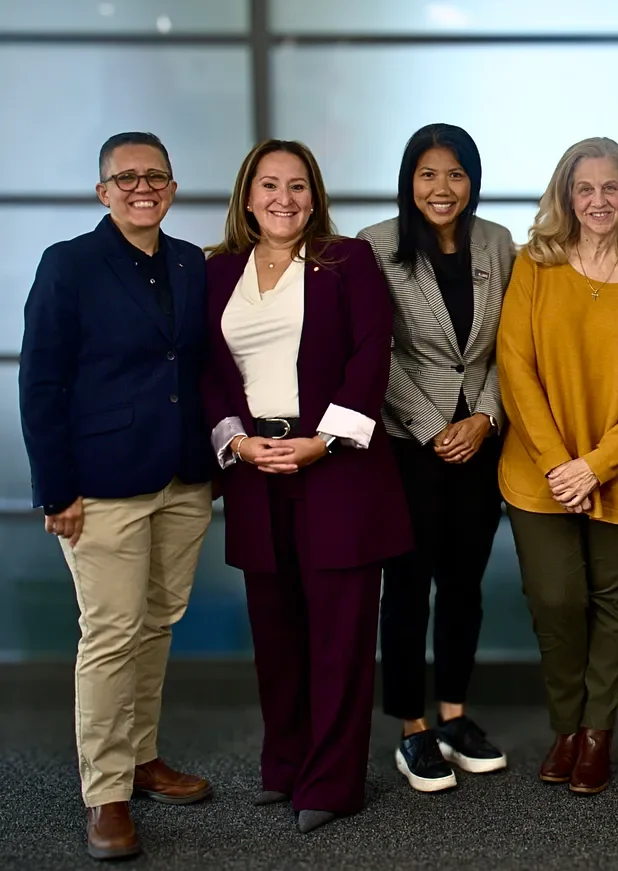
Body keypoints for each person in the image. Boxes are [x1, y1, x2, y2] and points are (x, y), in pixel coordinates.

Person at [202, 140, 412, 834]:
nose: (283, 198)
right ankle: (286, 764)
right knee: (276, 631)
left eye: (297, 185)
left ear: (314, 196)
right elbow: (207, 370)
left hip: (337, 464)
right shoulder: (217, 269)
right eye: (269, 184)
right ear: (247, 195)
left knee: (340, 634)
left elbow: (371, 353)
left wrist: (325, 439)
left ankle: (332, 782)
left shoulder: (348, 259)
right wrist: (236, 441)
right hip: (255, 464)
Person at [18, 132, 214, 860]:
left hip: (184, 476)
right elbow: (40, 382)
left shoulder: (191, 261)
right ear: (103, 192)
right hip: (101, 484)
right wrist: (56, 489)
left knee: (157, 623)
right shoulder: (68, 264)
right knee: (110, 635)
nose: (142, 187)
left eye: (155, 176)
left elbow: (198, 365)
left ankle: (140, 757)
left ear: (172, 187)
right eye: (126, 178)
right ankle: (105, 793)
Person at [497, 137, 618, 796]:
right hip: (540, 468)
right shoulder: (533, 266)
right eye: (585, 188)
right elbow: (514, 367)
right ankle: (565, 727)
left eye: (610, 187)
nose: (598, 200)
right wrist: (560, 464)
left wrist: (596, 466)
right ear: (566, 196)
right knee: (556, 599)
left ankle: (596, 732)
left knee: (614, 606)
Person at [357, 123, 514, 792]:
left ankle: (453, 714)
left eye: (455, 173)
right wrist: (432, 426)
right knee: (406, 588)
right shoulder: (375, 245)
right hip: (407, 444)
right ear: (409, 181)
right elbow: (375, 349)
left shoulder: (497, 243)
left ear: (472, 180)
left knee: (463, 583)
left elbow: (512, 342)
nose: (442, 187)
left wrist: (484, 417)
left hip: (481, 440)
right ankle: (411, 726)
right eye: (428, 174)